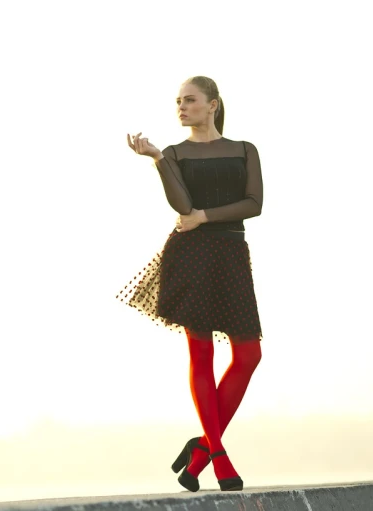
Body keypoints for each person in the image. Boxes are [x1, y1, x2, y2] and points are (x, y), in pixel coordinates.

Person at [117, 76, 264, 492]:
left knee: (248, 354)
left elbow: (254, 204)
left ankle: (201, 450)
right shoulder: (177, 154)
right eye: (178, 102)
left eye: (190, 100)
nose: (182, 107)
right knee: (201, 356)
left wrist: (204, 216)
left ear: (212, 105)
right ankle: (217, 456)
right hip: (192, 256)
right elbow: (182, 206)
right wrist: (159, 159)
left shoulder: (245, 150)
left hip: (232, 255)